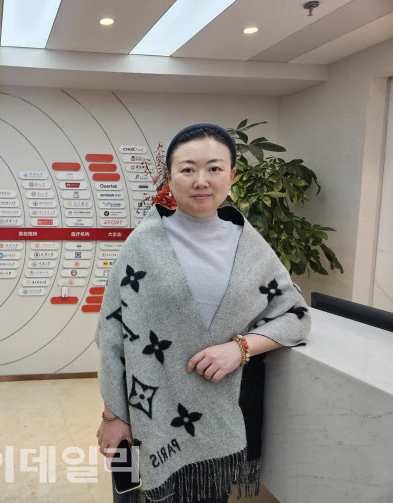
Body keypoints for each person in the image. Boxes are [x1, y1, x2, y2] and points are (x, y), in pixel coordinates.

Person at [94, 123, 311, 503]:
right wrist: (112, 417)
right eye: (188, 169)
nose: (201, 181)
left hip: (217, 420)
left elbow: (295, 314)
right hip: (146, 415)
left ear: (232, 175)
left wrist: (240, 348)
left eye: (214, 168)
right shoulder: (142, 245)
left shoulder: (251, 247)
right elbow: (113, 336)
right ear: (170, 176)